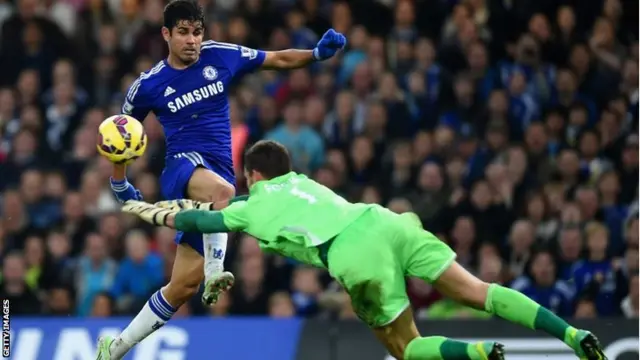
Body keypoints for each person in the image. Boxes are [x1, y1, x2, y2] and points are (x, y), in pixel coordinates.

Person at [118, 140, 608, 360]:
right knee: (479, 291)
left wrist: (150, 210)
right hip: (383, 220)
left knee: (406, 349)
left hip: (353, 254)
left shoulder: (252, 203)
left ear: (252, 175)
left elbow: (205, 219)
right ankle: (570, 333)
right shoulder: (301, 180)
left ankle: (479, 352)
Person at [99, 0, 346, 358]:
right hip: (182, 169)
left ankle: (115, 348)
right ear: (166, 34)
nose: (192, 40)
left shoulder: (221, 56)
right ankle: (217, 269)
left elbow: (276, 59)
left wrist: (316, 54)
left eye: (197, 32)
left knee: (182, 287)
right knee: (225, 192)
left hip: (216, 175)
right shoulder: (148, 86)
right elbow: (120, 137)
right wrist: (120, 182)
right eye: (183, 32)